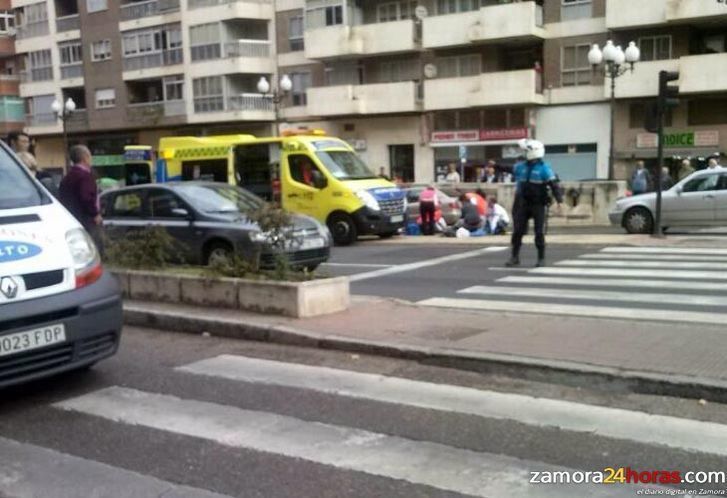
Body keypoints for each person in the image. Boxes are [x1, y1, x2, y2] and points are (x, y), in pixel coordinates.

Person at [506, 139, 563, 268]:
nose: (524, 153)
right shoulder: (521, 166)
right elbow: (510, 169)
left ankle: (541, 258)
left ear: (533, 152)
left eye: (526, 151)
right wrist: (495, 165)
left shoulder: (544, 169)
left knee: (539, 232)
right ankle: (514, 257)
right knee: (518, 232)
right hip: (522, 203)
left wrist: (559, 201)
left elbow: (554, 185)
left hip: (537, 204)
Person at [58, 145, 103, 252]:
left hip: (72, 219)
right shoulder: (85, 176)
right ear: (85, 157)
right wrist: (95, 214)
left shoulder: (67, 177)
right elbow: (87, 197)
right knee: (95, 248)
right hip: (87, 220)